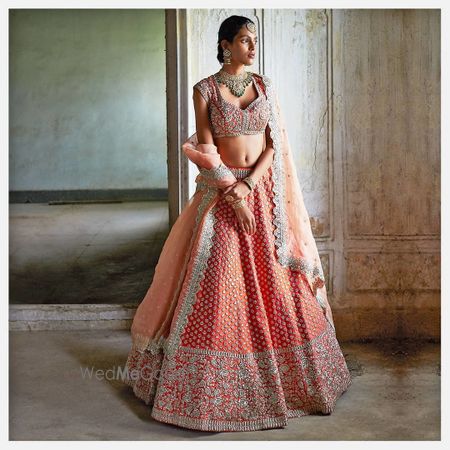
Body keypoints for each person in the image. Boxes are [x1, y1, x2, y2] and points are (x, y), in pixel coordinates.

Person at [124, 15, 352, 432]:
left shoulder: (263, 85)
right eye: (245, 40)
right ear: (226, 45)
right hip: (221, 196)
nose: (252, 47)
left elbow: (272, 144)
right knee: (219, 285)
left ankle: (295, 380)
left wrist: (250, 188)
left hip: (262, 195)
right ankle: (213, 391)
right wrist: (234, 194)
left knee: (277, 283)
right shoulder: (205, 90)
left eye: (255, 40)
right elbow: (206, 149)